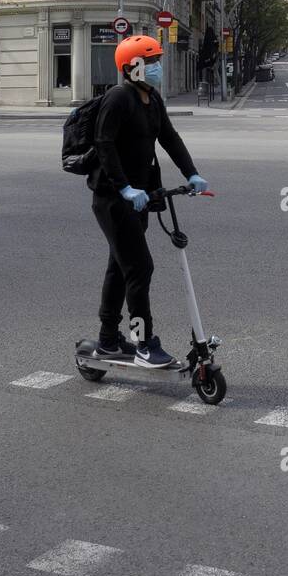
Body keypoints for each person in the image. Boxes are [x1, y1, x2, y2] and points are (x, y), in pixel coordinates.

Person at [88, 34, 209, 368]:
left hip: (140, 198)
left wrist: (192, 174)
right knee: (140, 267)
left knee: (121, 266)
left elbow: (169, 137)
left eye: (157, 60)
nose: (157, 67)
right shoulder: (118, 98)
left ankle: (108, 340)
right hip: (113, 200)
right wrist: (124, 188)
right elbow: (104, 144)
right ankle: (143, 343)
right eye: (150, 62)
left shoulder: (152, 99)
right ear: (132, 67)